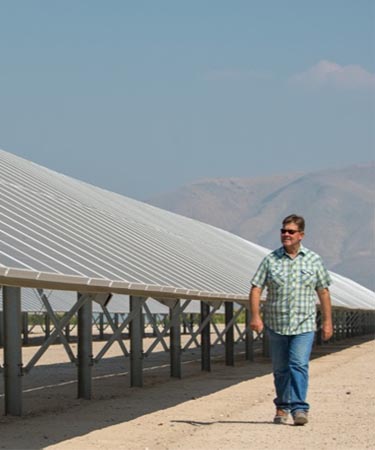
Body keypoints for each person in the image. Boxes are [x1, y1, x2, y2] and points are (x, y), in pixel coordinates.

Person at [249, 214, 333, 426]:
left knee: (298, 364)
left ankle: (299, 408)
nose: (286, 234)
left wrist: (327, 321)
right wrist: (255, 315)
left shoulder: (313, 260)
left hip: (304, 324)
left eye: (291, 231)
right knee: (280, 368)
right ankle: (282, 406)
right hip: (277, 324)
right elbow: (256, 288)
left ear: (301, 235)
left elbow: (323, 291)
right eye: (283, 230)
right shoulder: (271, 259)